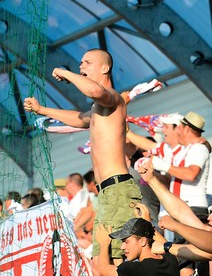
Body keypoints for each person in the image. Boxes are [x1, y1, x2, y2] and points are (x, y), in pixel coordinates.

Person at [23, 49, 141, 259]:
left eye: (87, 62)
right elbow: (79, 119)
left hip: (117, 189)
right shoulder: (99, 109)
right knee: (101, 262)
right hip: (106, 192)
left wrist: (65, 72)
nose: (81, 66)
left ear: (105, 68)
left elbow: (96, 91)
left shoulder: (113, 98)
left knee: (116, 260)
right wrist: (42, 110)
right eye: (80, 63)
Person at [93, 218, 179, 276]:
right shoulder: (171, 260)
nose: (122, 247)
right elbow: (167, 246)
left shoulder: (133, 269)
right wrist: (148, 225)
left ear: (143, 241)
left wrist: (104, 243)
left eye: (126, 242)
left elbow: (103, 269)